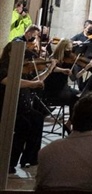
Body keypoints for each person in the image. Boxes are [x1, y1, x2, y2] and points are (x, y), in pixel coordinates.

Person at [0, 40, 57, 173]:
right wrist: (32, 84)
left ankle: (30, 158)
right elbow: (9, 81)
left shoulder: (23, 68)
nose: (25, 59)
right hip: (7, 106)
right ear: (10, 53)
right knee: (24, 124)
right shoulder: (3, 67)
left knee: (37, 118)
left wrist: (49, 69)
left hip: (23, 107)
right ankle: (9, 162)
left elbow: (35, 80)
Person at [42, 38, 81, 133]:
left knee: (81, 96)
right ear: (62, 48)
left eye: (71, 49)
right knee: (76, 98)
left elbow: (73, 78)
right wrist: (62, 70)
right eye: (68, 49)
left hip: (64, 88)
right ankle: (70, 125)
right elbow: (52, 68)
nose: (70, 51)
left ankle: (70, 123)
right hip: (53, 90)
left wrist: (84, 68)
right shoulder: (53, 58)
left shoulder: (69, 60)